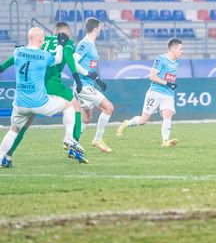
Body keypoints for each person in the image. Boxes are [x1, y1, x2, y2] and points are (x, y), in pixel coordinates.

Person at [0, 22, 86, 166]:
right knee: (72, 106)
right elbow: (63, 58)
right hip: (45, 92)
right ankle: (71, 141)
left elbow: (7, 63)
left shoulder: (19, 51)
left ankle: (6, 157)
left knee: (16, 129)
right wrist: (76, 77)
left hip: (21, 102)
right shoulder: (52, 51)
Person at [116, 38, 183, 147]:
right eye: (180, 49)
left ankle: (165, 141)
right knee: (143, 121)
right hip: (155, 92)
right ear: (173, 49)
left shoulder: (177, 62)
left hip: (168, 94)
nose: (182, 51)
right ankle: (127, 123)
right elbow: (152, 76)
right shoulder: (161, 59)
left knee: (168, 115)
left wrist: (170, 85)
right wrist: (167, 83)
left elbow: (169, 77)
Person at [74, 17, 113, 153]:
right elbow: (73, 61)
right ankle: (98, 139)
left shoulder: (91, 44)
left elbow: (90, 67)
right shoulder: (85, 43)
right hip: (83, 85)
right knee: (109, 108)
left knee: (86, 118)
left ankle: (72, 143)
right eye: (99, 28)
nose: (100, 31)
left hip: (87, 84)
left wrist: (97, 80)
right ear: (96, 29)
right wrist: (87, 74)